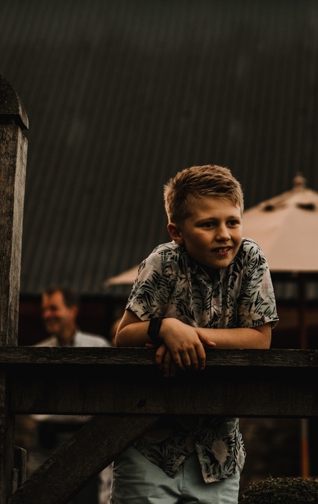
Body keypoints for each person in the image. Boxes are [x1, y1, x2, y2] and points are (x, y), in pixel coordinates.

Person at [112, 164, 278, 503]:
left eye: (232, 221)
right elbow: (125, 335)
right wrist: (164, 328)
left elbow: (260, 339)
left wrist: (187, 336)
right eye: (208, 224)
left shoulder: (250, 258)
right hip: (150, 447)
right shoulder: (162, 262)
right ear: (177, 231)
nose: (224, 234)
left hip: (218, 453)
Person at [30, 286, 112, 504]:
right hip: (45, 443)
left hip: (86, 441)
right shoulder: (36, 353)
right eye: (44, 310)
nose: (47, 315)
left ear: (72, 310)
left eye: (53, 308)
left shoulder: (99, 347)